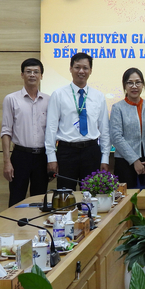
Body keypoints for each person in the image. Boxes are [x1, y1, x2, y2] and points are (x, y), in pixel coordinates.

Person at [45, 52, 111, 189]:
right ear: (70, 69)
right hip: (66, 152)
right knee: (65, 196)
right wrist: (51, 157)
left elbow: (104, 130)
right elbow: (51, 128)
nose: (81, 71)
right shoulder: (58, 95)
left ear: (90, 71)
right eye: (77, 67)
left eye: (85, 68)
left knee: (91, 196)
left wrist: (105, 157)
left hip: (91, 151)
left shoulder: (98, 96)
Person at [1, 58, 50, 207]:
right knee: (16, 199)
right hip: (20, 156)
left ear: (41, 76)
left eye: (36, 72)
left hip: (42, 157)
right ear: (22, 75)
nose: (32, 75)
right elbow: (5, 131)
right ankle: (14, 230)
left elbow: (53, 131)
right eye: (28, 71)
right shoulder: (11, 99)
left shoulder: (49, 100)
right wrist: (7, 162)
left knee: (40, 201)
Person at [110, 68, 145, 188]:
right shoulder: (118, 107)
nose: (134, 86)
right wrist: (134, 160)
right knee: (125, 200)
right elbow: (116, 137)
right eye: (130, 82)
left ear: (143, 85)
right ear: (125, 86)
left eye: (138, 82)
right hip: (124, 161)